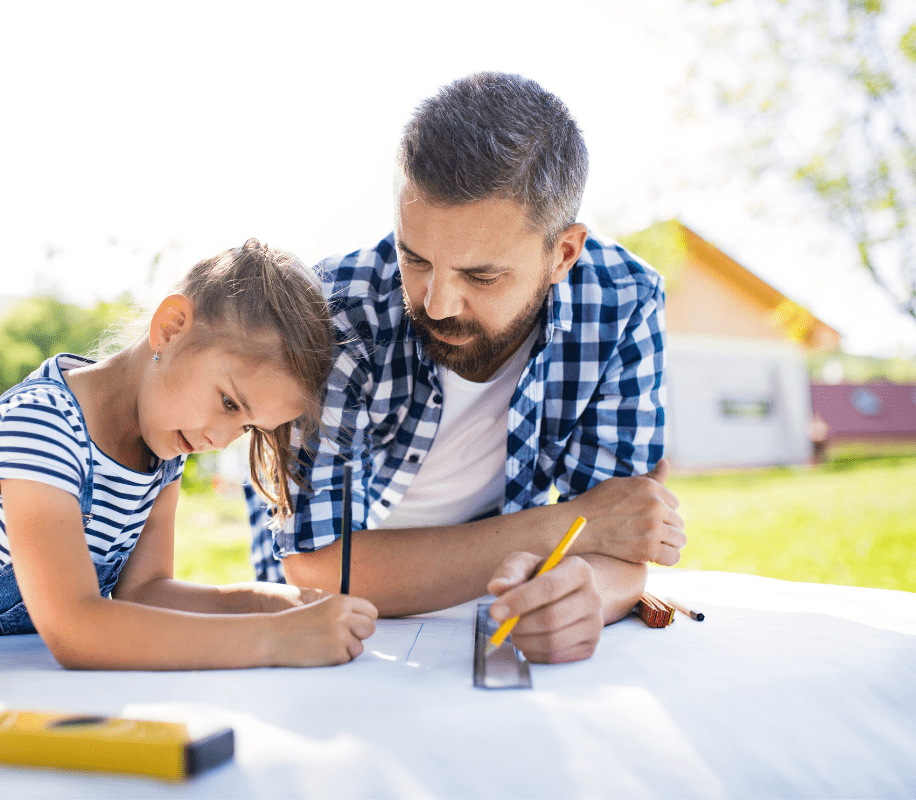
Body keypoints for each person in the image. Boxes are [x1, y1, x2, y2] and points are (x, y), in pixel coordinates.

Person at [248, 73, 685, 664]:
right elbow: (320, 568)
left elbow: (622, 537)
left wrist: (588, 594)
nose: (437, 303)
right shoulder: (333, 307)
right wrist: (568, 525)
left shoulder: (622, 302)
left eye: (481, 276)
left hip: (481, 616)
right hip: (343, 636)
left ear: (563, 253)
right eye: (415, 258)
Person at [0, 239, 378, 670]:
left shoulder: (164, 450)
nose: (221, 438)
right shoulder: (43, 427)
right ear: (171, 328)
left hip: (6, 671)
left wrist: (270, 603)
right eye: (226, 402)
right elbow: (76, 628)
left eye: (246, 426)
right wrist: (273, 639)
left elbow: (144, 593)